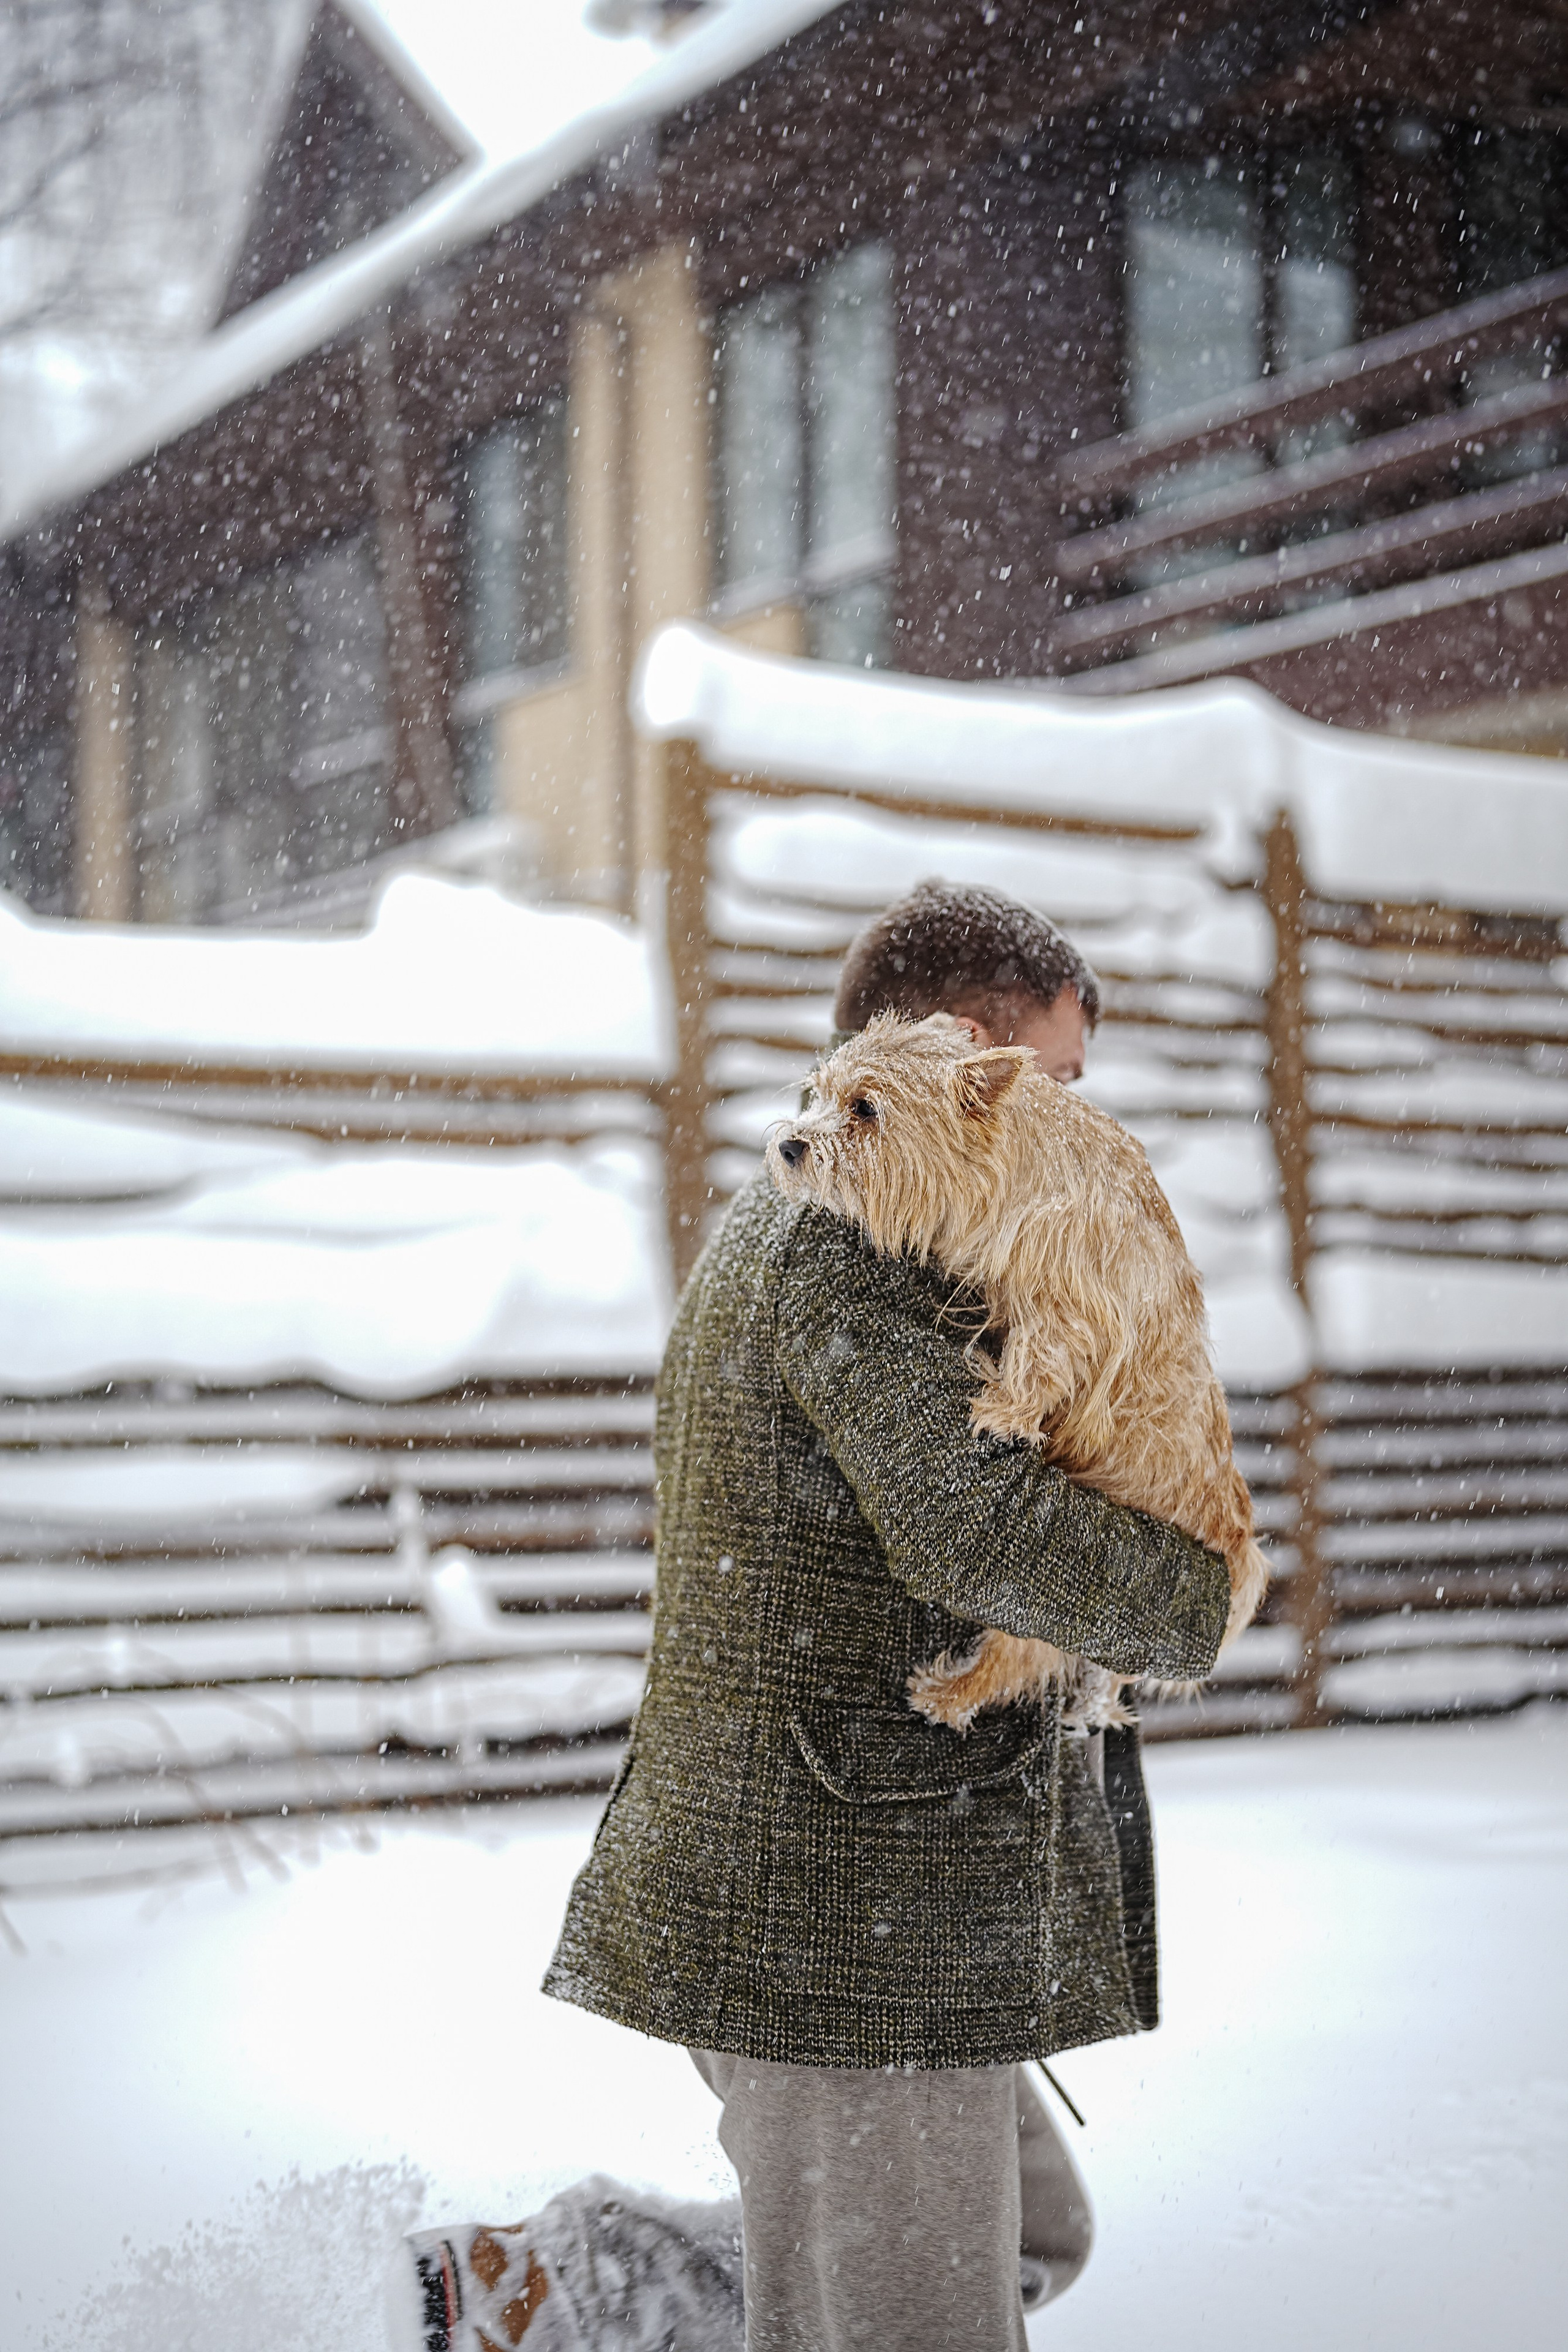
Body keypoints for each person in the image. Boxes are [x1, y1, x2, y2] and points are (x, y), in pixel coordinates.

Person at [388, 881, 1231, 2352]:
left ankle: (571, 2292)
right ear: (970, 1048)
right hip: (840, 1910)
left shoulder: (864, 1203)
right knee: (911, 2327)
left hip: (857, 1876)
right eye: (1059, 1080)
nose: (1076, 1124)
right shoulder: (855, 1236)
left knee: (1030, 2233)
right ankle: (589, 2291)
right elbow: (972, 1526)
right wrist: (1194, 1593)